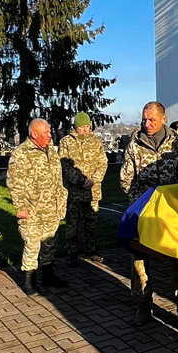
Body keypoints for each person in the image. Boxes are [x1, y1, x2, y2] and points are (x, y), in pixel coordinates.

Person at [120, 102, 178, 331]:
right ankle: (143, 306)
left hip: (172, 213)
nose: (147, 124)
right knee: (139, 263)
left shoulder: (177, 143)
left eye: (152, 119)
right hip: (144, 213)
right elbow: (126, 180)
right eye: (144, 119)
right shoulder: (135, 143)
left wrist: (173, 202)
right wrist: (141, 203)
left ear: (164, 119)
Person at [8, 119, 68, 295]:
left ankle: (48, 276)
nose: (50, 135)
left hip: (52, 207)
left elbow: (57, 179)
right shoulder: (21, 154)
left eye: (50, 131)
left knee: (49, 243)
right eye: (46, 132)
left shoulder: (51, 151)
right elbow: (14, 183)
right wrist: (21, 206)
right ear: (34, 134)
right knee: (32, 244)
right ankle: (29, 281)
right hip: (32, 208)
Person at [59, 112, 108, 266]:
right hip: (74, 192)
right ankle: (72, 253)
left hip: (92, 191)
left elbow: (103, 163)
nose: (85, 130)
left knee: (91, 223)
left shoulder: (96, 142)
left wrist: (93, 179)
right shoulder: (66, 142)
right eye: (82, 127)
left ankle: (91, 251)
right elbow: (64, 166)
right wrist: (81, 180)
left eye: (87, 126)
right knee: (73, 224)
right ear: (75, 127)